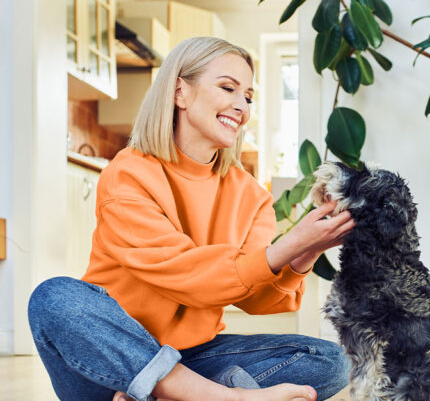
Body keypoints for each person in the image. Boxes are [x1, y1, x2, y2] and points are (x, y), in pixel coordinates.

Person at [27, 37, 355, 401]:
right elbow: (183, 273)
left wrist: (305, 251)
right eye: (228, 87)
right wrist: (289, 244)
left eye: (248, 96)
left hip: (193, 356)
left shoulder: (250, 195)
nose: (241, 105)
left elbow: (257, 300)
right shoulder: (128, 174)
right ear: (180, 93)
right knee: (54, 298)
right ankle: (222, 397)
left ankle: (168, 394)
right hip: (111, 362)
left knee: (331, 360)